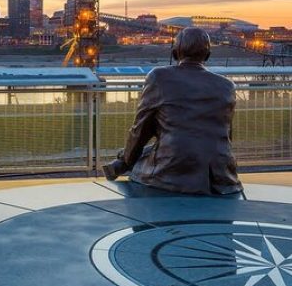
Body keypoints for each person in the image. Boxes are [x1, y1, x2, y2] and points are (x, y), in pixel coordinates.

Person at [103, 27, 243, 195]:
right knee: (161, 144)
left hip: (173, 170)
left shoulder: (159, 77)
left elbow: (140, 131)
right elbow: (225, 135)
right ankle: (122, 161)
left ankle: (120, 164)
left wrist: (127, 160)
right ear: (207, 56)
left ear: (175, 53)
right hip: (220, 175)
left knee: (143, 157)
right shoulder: (227, 86)